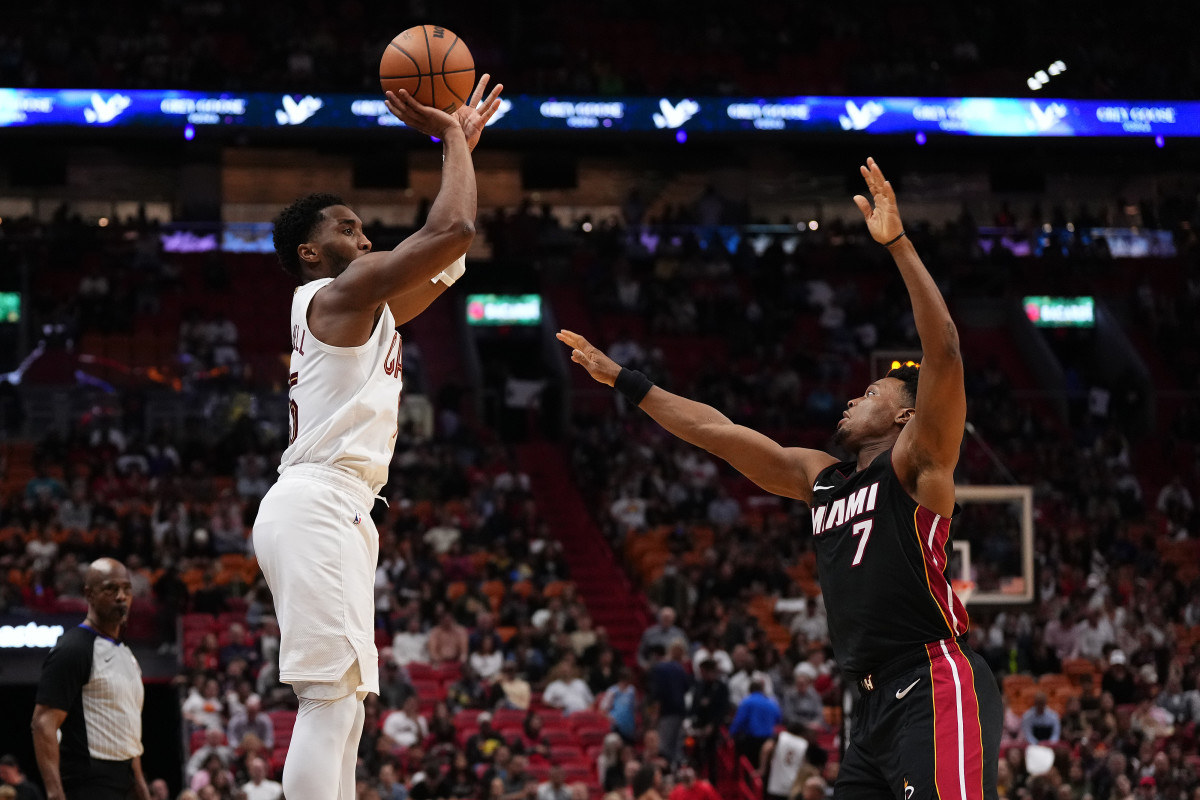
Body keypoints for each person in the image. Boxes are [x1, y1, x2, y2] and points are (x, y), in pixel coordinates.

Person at [558, 157, 1002, 800]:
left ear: (906, 413)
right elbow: (719, 433)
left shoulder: (917, 464)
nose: (853, 399)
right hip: (871, 704)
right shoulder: (820, 477)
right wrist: (626, 381)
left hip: (934, 679)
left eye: (870, 391)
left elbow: (947, 354)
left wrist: (899, 245)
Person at [251, 76, 504, 800]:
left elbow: (446, 259)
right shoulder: (334, 294)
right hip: (317, 500)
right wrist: (451, 137)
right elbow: (450, 230)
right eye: (348, 229)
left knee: (349, 704)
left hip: (346, 507)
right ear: (309, 252)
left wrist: (464, 153)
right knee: (327, 700)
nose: (365, 237)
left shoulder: (363, 307)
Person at [31, 557, 152, 800]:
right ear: (89, 594)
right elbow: (43, 723)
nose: (121, 596)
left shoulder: (125, 653)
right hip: (89, 783)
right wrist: (55, 794)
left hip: (124, 780)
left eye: (126, 589)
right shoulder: (73, 649)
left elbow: (128, 727)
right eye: (111, 589)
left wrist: (140, 787)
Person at [728, 679, 781, 766]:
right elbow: (779, 719)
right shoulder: (772, 703)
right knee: (763, 765)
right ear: (762, 690)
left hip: (751, 740)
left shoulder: (747, 701)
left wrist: (731, 734)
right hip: (768, 740)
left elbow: (739, 721)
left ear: (750, 690)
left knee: (749, 766)